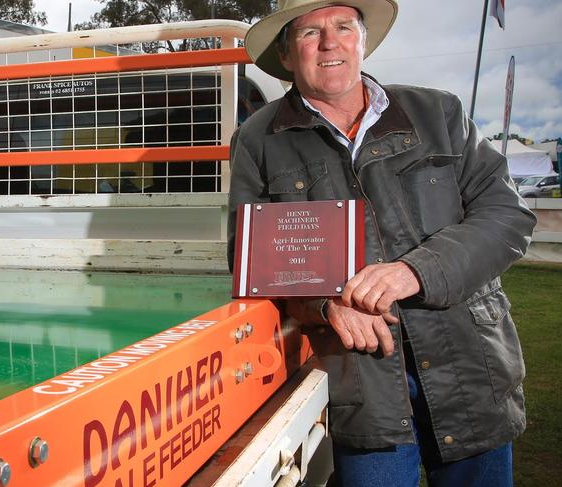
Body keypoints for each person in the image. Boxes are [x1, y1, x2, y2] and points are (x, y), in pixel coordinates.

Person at [227, 1, 537, 486]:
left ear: (363, 40)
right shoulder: (258, 139)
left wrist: (416, 271)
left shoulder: (439, 112)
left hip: (469, 365)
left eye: (343, 27)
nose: (330, 43)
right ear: (287, 55)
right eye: (310, 32)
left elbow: (507, 215)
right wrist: (326, 303)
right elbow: (250, 256)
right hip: (362, 381)